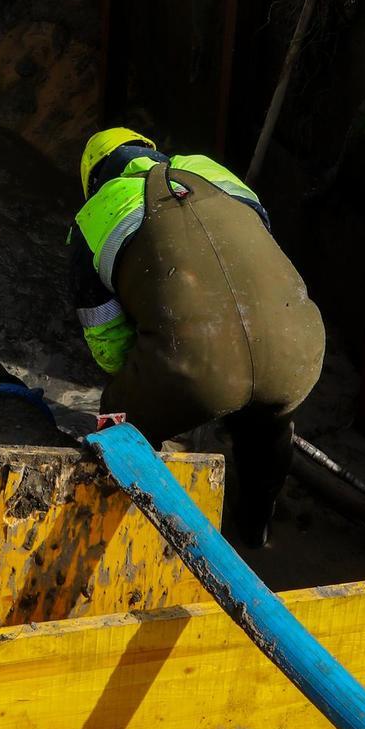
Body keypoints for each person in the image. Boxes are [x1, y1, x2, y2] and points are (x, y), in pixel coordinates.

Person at [71, 127, 325, 545]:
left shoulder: (94, 215)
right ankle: (255, 530)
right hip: (300, 350)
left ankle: (118, 533)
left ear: (92, 180)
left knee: (116, 417)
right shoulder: (214, 172)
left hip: (196, 373)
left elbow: (108, 345)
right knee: (267, 424)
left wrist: (158, 373)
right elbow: (254, 260)